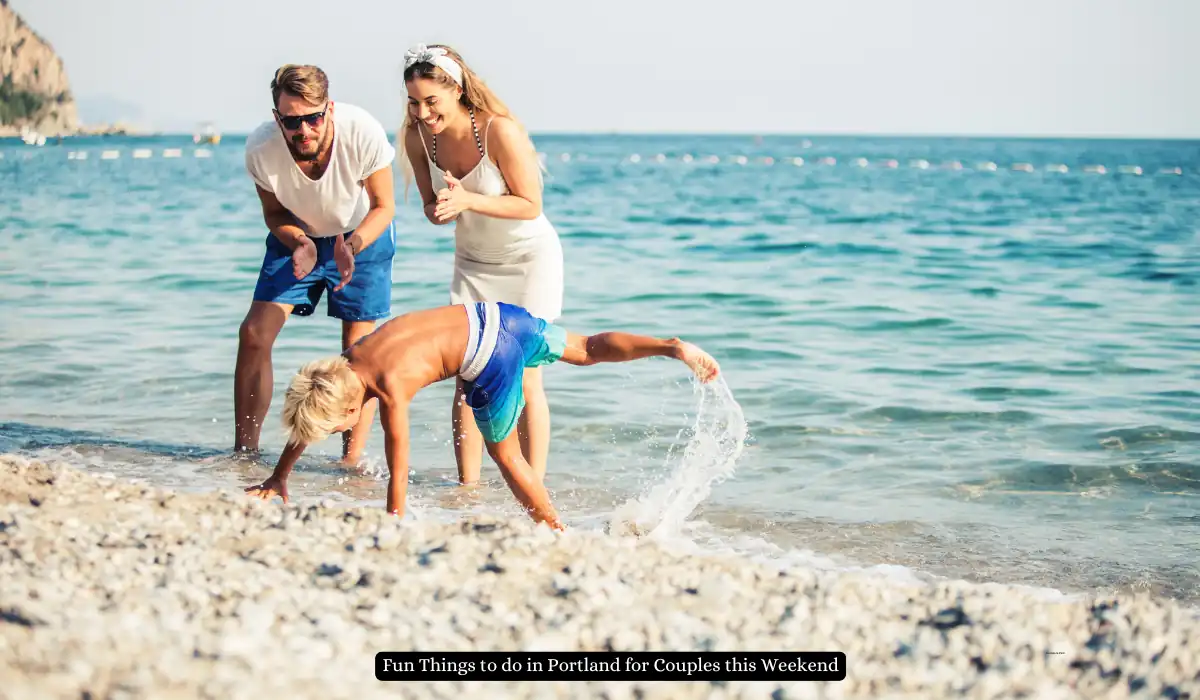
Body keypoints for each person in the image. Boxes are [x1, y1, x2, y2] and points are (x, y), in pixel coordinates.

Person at [243, 302, 721, 530]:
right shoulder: (349, 362)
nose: (340, 432)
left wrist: (393, 518)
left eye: (338, 427)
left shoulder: (387, 391)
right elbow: (313, 406)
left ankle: (553, 529)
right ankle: (670, 346)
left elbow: (399, 462)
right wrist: (279, 475)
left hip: (490, 356)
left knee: (506, 454)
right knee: (586, 348)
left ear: (352, 408)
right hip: (497, 316)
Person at [397, 43, 564, 487]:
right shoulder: (418, 137)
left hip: (528, 260)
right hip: (473, 263)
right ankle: (466, 488)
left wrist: (469, 198)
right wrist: (438, 209)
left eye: (432, 101)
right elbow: (434, 208)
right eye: (414, 102)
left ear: (456, 89)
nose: (423, 112)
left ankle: (534, 488)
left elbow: (530, 205)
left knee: (527, 376)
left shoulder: (498, 131)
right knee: (467, 375)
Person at [234, 64, 398, 466]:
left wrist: (353, 245)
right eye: (291, 121)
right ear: (278, 118)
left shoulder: (362, 131)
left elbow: (384, 206)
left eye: (313, 117)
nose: (303, 130)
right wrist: (300, 241)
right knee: (254, 333)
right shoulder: (261, 148)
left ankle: (351, 461)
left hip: (361, 237)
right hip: (298, 237)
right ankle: (245, 452)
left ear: (329, 108)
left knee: (358, 353)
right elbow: (273, 213)